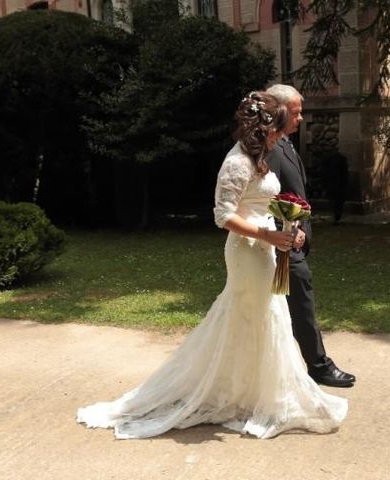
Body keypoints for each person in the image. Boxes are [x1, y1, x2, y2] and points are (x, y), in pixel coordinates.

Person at [76, 91, 347, 439]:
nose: (281, 136)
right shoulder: (235, 163)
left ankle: (256, 391)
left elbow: (263, 203)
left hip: (265, 248)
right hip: (246, 252)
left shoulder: (261, 158)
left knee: (265, 316)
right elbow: (224, 216)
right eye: (277, 130)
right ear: (261, 128)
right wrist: (268, 237)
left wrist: (287, 231)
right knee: (258, 315)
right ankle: (255, 395)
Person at [265, 84, 356, 388]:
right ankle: (319, 366)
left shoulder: (286, 143)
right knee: (301, 304)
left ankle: (279, 364)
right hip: (284, 249)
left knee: (283, 309)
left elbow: (290, 194)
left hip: (295, 241)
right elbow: (263, 198)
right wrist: (287, 235)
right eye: (295, 112)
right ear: (277, 112)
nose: (301, 117)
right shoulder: (271, 149)